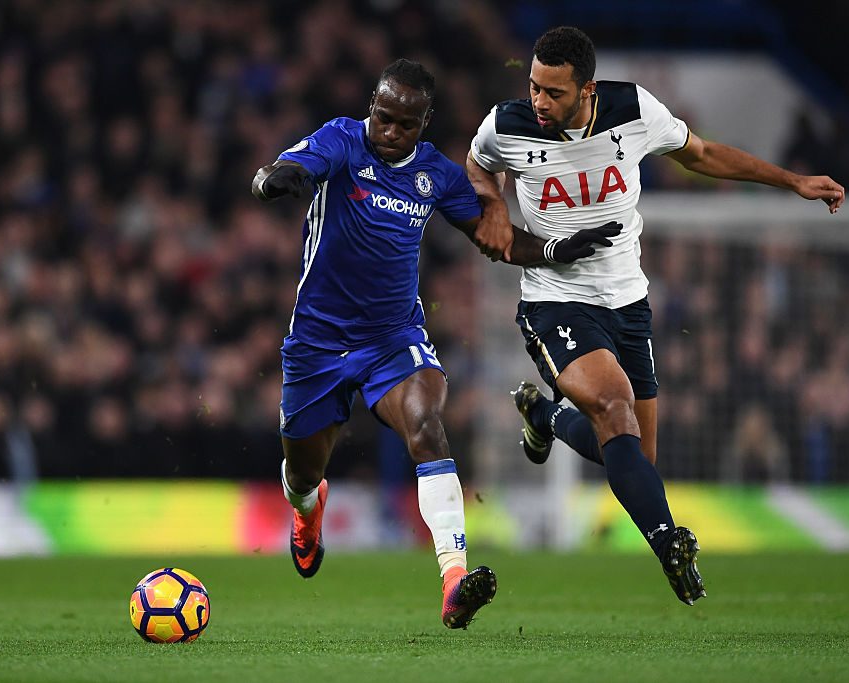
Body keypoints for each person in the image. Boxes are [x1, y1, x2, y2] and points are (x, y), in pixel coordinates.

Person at [466, 26, 846, 605]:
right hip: (554, 299)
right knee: (613, 408)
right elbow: (477, 163)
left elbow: (703, 154)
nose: (539, 101)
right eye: (534, 87)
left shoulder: (634, 109)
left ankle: (545, 416)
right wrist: (493, 203)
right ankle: (669, 542)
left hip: (628, 303)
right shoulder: (507, 124)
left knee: (634, 455)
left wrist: (792, 181)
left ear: (588, 89)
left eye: (554, 92)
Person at [251, 58, 618, 628]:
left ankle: (453, 581)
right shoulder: (342, 140)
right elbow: (285, 167)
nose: (389, 131)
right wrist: (276, 179)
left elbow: (495, 239)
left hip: (393, 339)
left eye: (405, 124)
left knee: (426, 426)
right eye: (383, 117)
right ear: (371, 108)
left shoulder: (438, 175)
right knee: (302, 474)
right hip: (317, 344)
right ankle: (307, 509)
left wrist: (555, 249)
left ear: (424, 123)